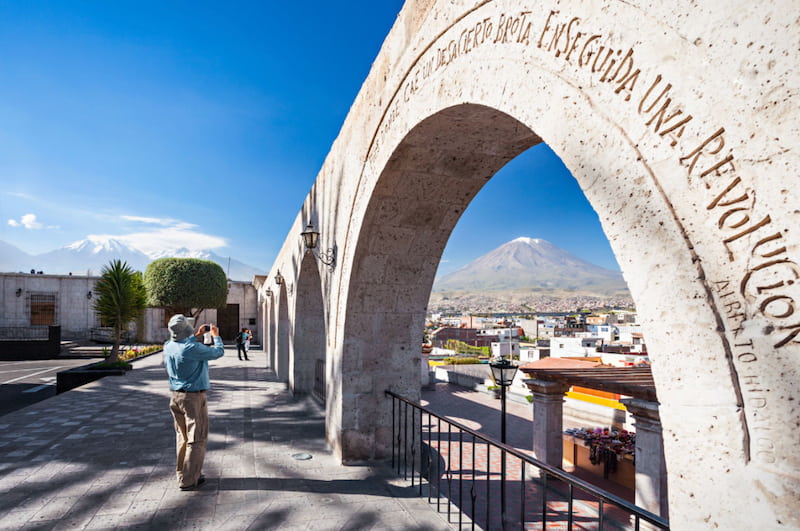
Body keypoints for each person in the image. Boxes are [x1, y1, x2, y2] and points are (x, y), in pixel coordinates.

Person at [163, 314, 224, 491]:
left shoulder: (169, 346)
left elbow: (184, 345)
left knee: (182, 437)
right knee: (197, 438)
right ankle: (189, 480)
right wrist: (216, 336)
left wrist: (196, 335)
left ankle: (183, 474)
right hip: (193, 398)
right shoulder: (192, 348)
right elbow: (218, 352)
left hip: (175, 396)